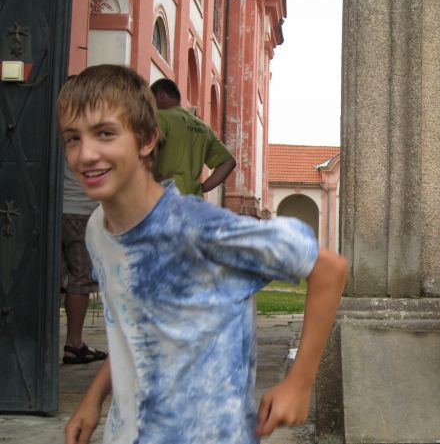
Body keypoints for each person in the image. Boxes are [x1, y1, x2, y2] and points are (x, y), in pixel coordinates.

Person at [59, 64, 347, 444]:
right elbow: (130, 326)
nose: (86, 154)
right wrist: (93, 399)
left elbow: (328, 268)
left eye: (105, 134)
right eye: (73, 138)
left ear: (147, 140)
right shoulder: (98, 229)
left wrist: (300, 382)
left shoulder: (195, 227)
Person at [149, 77, 236, 196]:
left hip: (167, 196)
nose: (150, 106)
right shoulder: (205, 128)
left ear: (161, 95)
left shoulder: (161, 117)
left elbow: (143, 149)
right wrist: (202, 188)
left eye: (150, 100)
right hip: (194, 199)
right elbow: (229, 162)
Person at [61, 168, 107, 364]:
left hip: (48, 208)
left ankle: (36, 343)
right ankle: (74, 344)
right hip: (82, 209)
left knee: (48, 277)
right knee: (80, 279)